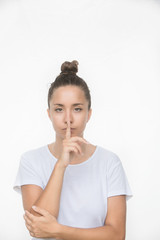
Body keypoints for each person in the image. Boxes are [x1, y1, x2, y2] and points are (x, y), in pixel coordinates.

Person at [13, 60, 132, 240]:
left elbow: (116, 235)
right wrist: (60, 165)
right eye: (59, 109)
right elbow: (37, 228)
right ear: (49, 114)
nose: (68, 119)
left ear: (88, 114)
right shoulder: (31, 161)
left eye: (77, 109)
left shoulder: (109, 163)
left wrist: (59, 230)